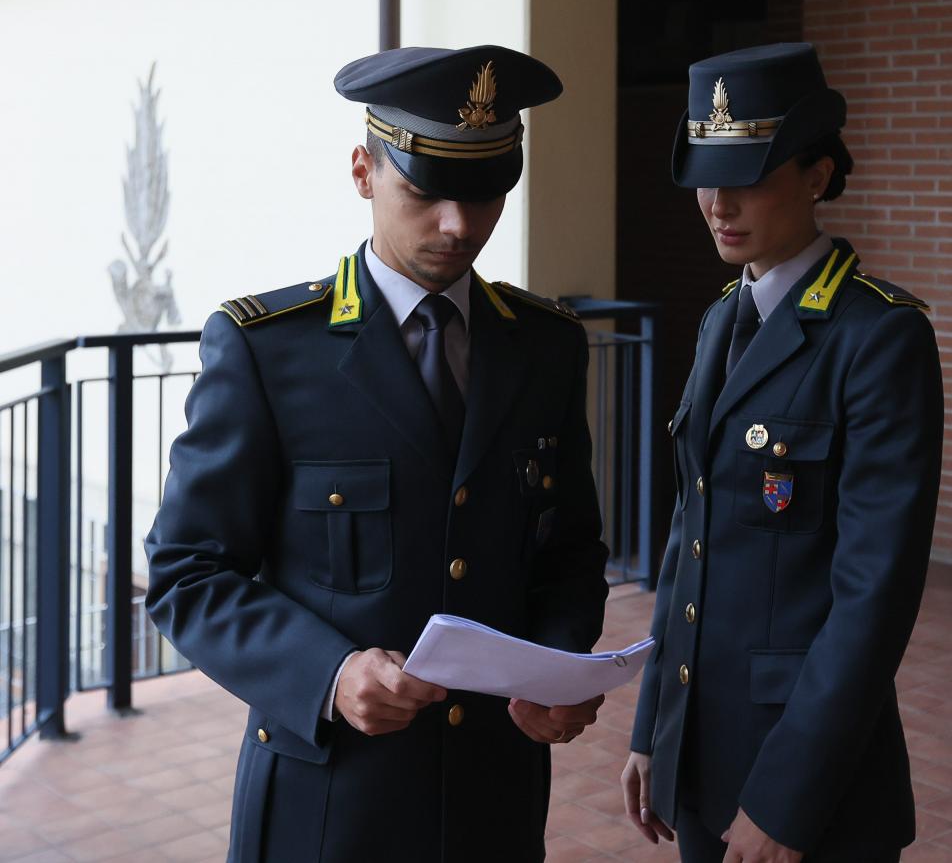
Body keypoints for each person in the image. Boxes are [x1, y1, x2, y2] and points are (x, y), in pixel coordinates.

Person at [145, 45, 610, 863]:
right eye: (426, 192)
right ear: (364, 170)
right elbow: (187, 571)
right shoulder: (267, 351)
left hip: (492, 800)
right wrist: (326, 671)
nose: (459, 225)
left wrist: (561, 662)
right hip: (329, 803)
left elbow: (569, 551)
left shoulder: (546, 346)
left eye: (486, 193)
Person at [619, 43, 944, 862]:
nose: (718, 204)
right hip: (701, 747)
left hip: (809, 777)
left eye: (749, 175)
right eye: (706, 176)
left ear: (818, 174)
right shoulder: (720, 318)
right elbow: (688, 539)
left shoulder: (879, 337)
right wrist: (655, 725)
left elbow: (874, 596)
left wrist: (788, 797)